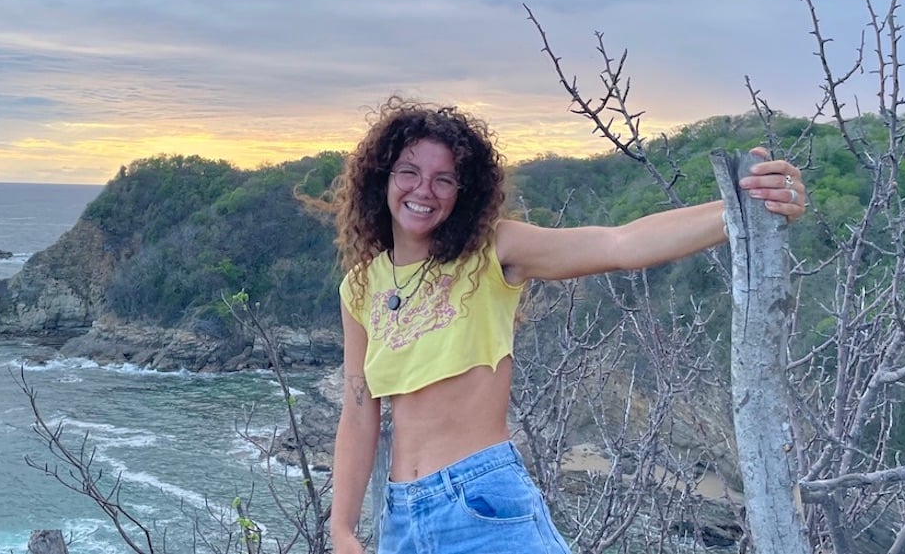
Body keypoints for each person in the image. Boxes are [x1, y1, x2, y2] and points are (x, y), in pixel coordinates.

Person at [330, 97, 807, 554]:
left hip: (479, 498)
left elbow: (618, 244)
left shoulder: (491, 252)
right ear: (382, 178)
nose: (423, 191)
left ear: (463, 192)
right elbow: (358, 411)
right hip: (401, 517)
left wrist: (738, 208)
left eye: (443, 180)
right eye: (409, 172)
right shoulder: (360, 288)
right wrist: (343, 526)